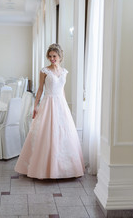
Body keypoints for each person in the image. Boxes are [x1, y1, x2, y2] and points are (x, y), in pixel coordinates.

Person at [14, 43, 84, 179]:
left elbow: (62, 90)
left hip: (60, 104)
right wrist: (35, 106)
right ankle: (43, 168)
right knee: (46, 134)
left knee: (63, 135)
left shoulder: (64, 72)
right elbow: (40, 89)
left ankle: (64, 169)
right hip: (48, 103)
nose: (52, 59)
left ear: (60, 57)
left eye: (54, 56)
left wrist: (65, 106)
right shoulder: (44, 71)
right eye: (50, 56)